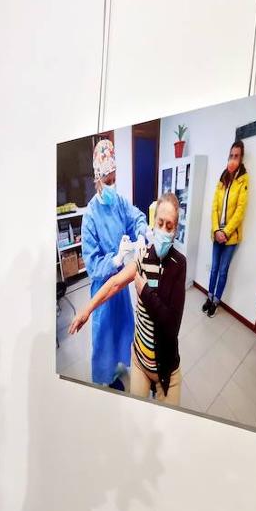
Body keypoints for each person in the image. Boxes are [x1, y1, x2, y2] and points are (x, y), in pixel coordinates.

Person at [70, 193, 187, 404]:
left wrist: (143, 290)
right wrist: (87, 309)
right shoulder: (141, 256)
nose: (163, 231)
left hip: (165, 366)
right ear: (154, 224)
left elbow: (171, 326)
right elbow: (114, 284)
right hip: (141, 360)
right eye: (159, 223)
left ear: (175, 230)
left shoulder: (179, 264)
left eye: (169, 226)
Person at [81, 139, 148, 390]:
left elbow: (137, 217)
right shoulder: (90, 215)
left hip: (120, 285)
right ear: (97, 180)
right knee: (104, 333)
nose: (112, 185)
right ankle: (106, 378)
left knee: (122, 326)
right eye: (107, 182)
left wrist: (142, 233)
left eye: (114, 179)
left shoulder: (119, 202)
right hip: (102, 285)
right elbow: (91, 264)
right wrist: (116, 259)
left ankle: (120, 363)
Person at [204, 139, 249, 317]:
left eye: (236, 156)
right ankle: (209, 298)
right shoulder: (222, 179)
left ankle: (216, 301)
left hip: (231, 236)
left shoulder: (243, 180)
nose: (232, 159)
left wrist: (226, 232)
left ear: (241, 158)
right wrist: (216, 230)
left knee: (223, 271)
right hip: (217, 234)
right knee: (214, 268)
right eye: (231, 155)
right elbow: (214, 206)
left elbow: (240, 210)